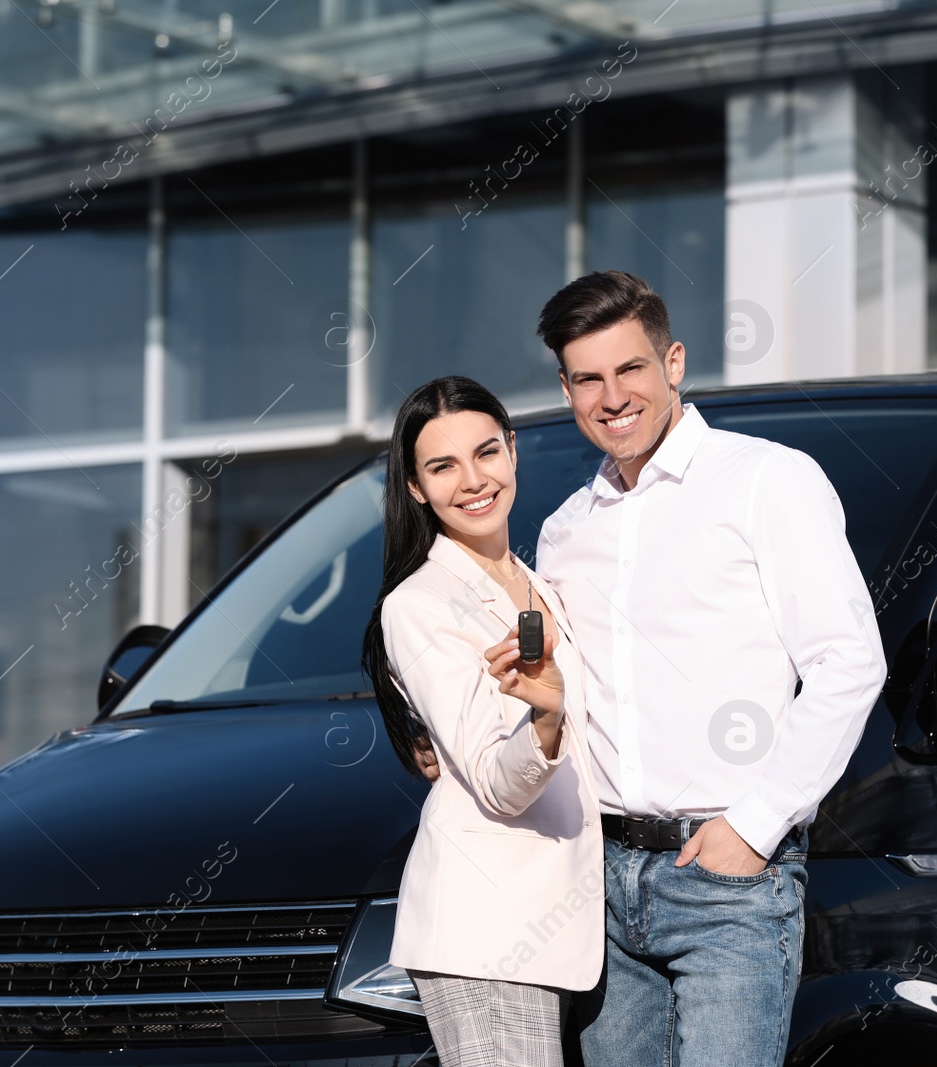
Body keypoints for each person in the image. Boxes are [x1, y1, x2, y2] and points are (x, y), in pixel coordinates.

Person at [420, 271, 888, 1066]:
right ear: (567, 389)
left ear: (673, 363)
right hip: (599, 885)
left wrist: (755, 824)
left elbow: (849, 662)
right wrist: (448, 734)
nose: (612, 396)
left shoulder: (766, 481)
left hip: (730, 883)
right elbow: (555, 686)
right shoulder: (566, 530)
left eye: (630, 369)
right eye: (587, 378)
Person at [362, 375, 604, 1067]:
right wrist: (546, 716)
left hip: (558, 924)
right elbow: (499, 782)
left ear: (513, 451)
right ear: (415, 486)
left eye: (486, 452)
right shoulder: (419, 603)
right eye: (442, 466)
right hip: (489, 935)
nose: (473, 480)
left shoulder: (542, 583)